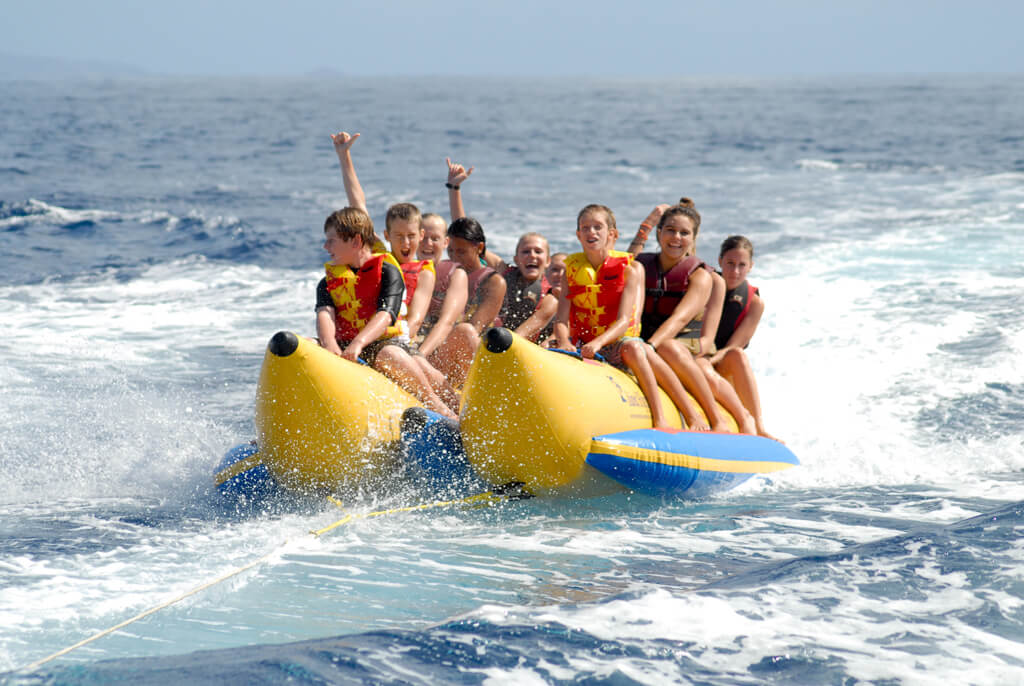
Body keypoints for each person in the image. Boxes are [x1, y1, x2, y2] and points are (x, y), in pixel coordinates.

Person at [330, 131, 458, 411]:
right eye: (399, 236)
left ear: (421, 235)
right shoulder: (380, 256)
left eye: (411, 235)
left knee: (433, 377)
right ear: (387, 235)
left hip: (400, 339)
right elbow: (357, 206)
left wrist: (401, 348)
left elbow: (413, 320)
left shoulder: (424, 270)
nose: (406, 242)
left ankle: (460, 415)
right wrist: (344, 156)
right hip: (367, 336)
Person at [553, 204, 707, 430]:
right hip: (580, 344)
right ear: (578, 234)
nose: (591, 232)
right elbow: (561, 319)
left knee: (637, 348)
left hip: (615, 344)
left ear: (612, 234)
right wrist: (564, 342)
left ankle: (664, 417)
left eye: (598, 227)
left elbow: (624, 320)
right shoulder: (571, 270)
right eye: (585, 228)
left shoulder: (630, 269)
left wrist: (598, 343)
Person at [315, 207, 456, 419]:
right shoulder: (327, 282)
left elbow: (386, 314)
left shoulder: (387, 272)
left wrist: (359, 343)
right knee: (302, 345)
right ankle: (278, 426)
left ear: (355, 242)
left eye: (331, 240)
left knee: (397, 357)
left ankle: (445, 411)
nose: (326, 246)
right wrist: (330, 346)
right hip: (342, 346)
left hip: (384, 343)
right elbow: (325, 315)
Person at [631, 201, 740, 433]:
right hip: (647, 339)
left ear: (693, 238)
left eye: (684, 233)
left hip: (683, 340)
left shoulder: (699, 276)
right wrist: (645, 225)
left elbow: (679, 319)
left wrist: (650, 346)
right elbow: (618, 268)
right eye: (670, 230)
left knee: (668, 348)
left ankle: (716, 418)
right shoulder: (642, 265)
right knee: (656, 347)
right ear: (659, 233)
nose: (676, 237)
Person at [705, 235, 774, 438]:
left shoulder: (754, 303)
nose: (735, 271)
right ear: (719, 261)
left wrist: (708, 361)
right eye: (730, 263)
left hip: (723, 365)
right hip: (695, 356)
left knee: (737, 353)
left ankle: (759, 427)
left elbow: (735, 345)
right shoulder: (704, 284)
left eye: (742, 265)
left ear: (751, 266)